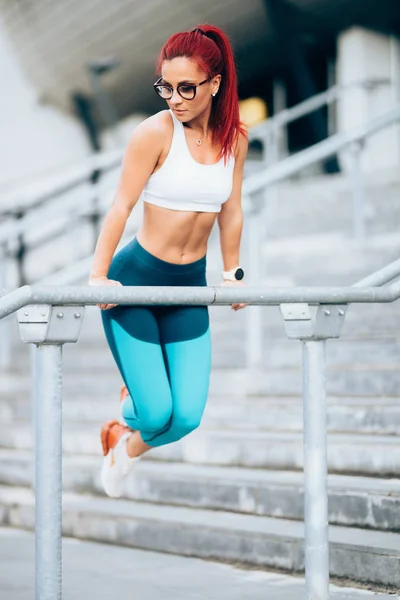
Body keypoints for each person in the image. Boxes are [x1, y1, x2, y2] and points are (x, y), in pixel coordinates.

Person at [89, 24, 248, 498]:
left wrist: (232, 275)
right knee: (157, 413)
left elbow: (232, 210)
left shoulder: (234, 139)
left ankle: (123, 442)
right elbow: (119, 207)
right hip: (134, 283)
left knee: (187, 418)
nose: (173, 99)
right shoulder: (153, 133)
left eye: (186, 88)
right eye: (165, 86)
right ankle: (133, 407)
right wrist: (97, 277)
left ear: (214, 84)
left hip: (189, 288)